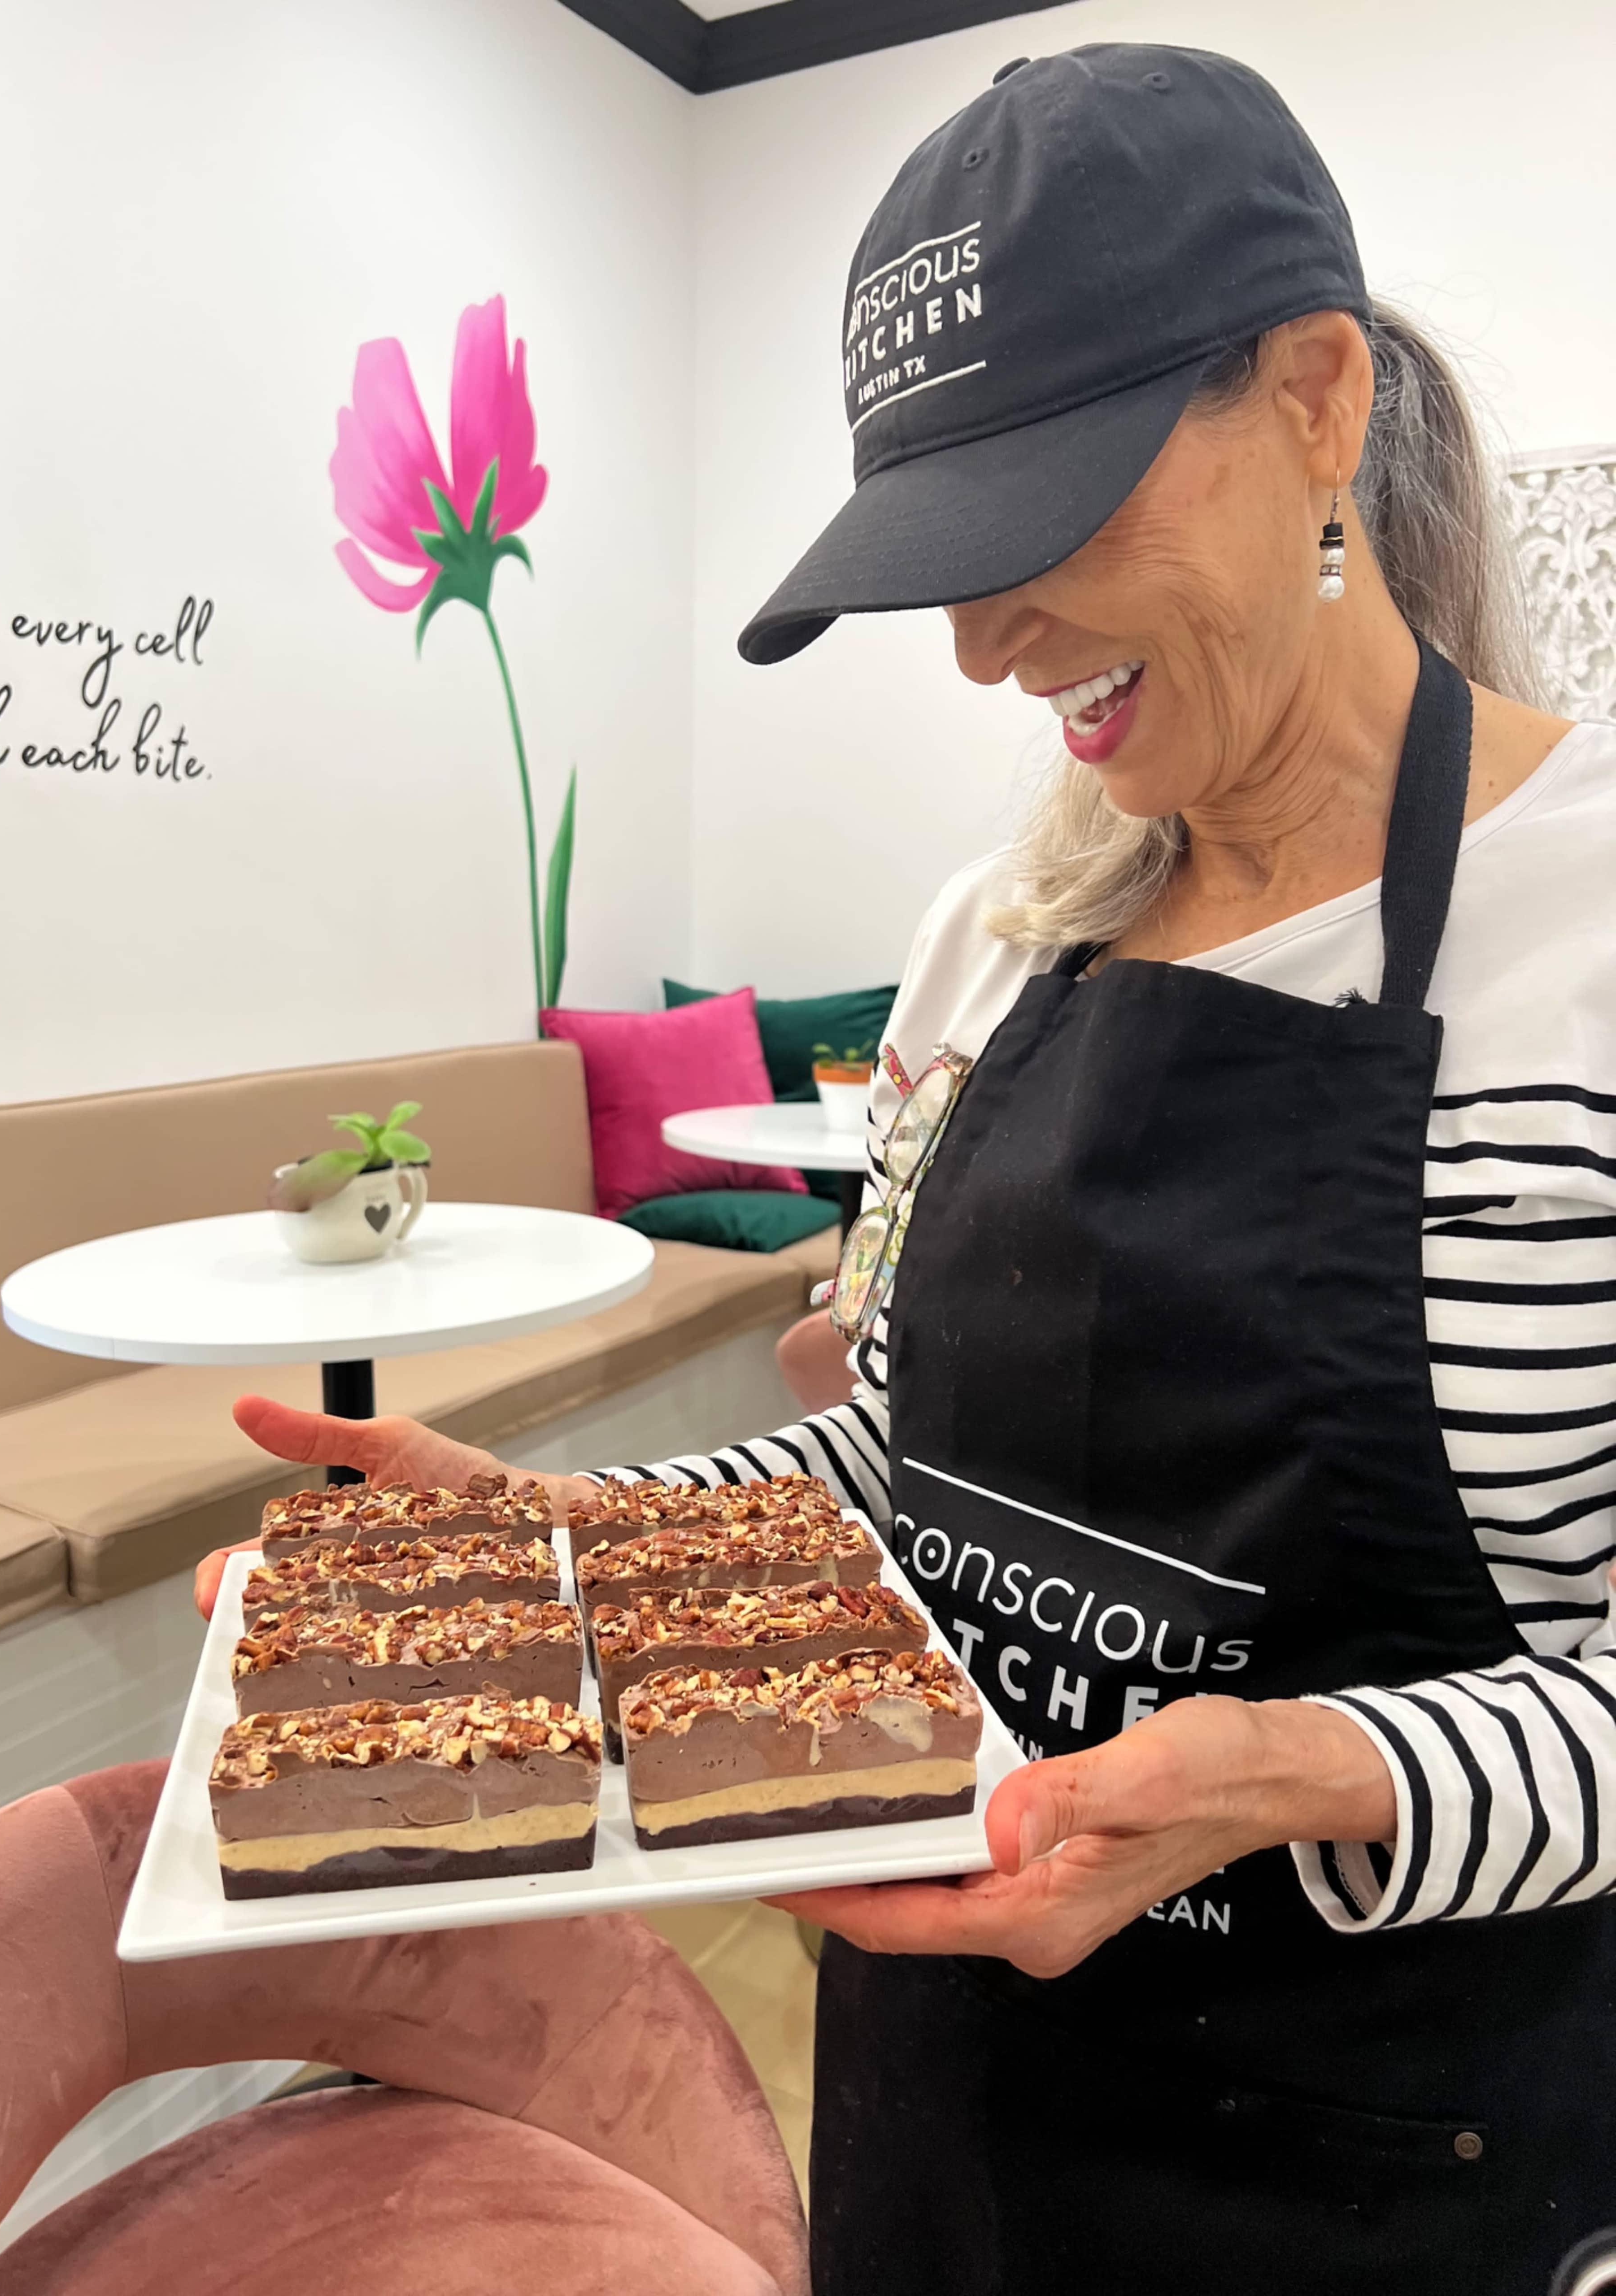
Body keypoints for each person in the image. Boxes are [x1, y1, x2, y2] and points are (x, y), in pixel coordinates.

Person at [197, 44, 1616, 2296]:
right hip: (945, 2112)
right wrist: (613, 1541)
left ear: (1319, 397)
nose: (979, 646)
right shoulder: (998, 937)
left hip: (1403, 2157)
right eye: (933, 564)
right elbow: (914, 1455)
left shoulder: (1597, 932)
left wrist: (1317, 1769)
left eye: (1038, 526)